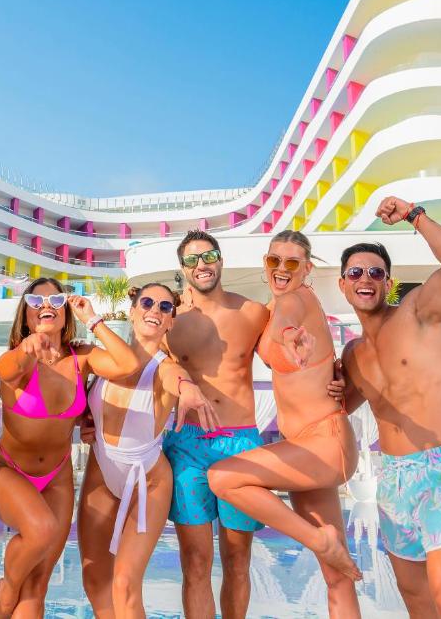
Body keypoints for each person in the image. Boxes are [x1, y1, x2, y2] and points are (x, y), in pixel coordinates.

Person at [335, 197, 441, 618]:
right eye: (356, 273)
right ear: (344, 285)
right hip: (394, 479)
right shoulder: (353, 354)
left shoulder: (418, 312)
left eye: (376, 273)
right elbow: (338, 410)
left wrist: (415, 216)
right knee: (415, 598)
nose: (366, 278)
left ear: (388, 282)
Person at [207, 231, 363, 619]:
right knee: (338, 578)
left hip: (323, 443)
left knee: (223, 477)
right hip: (311, 446)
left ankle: (318, 540)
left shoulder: (296, 300)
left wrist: (291, 336)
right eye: (274, 261)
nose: (281, 269)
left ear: (306, 268)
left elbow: (288, 324)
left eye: (291, 263)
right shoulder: (274, 306)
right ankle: (325, 547)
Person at [0, 277, 140, 618]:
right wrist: (28, 348)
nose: (45, 307)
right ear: (24, 315)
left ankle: (12, 598)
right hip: (7, 469)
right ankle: (6, 589)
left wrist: (93, 320)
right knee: (40, 531)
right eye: (36, 302)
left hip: (56, 476)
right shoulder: (18, 358)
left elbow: (128, 366)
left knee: (38, 584)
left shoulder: (80, 357)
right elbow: (6, 372)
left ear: (65, 311)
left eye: (55, 301)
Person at [78, 283, 220, 619]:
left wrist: (187, 389)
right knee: (95, 577)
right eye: (147, 302)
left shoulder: (164, 367)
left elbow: (177, 377)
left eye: (165, 307)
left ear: (171, 321)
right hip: (101, 469)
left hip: (148, 482)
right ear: (132, 310)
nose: (155, 311)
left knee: (125, 584)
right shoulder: (102, 362)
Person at [161, 230, 270, 619]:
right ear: (182, 268)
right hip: (188, 445)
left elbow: (289, 364)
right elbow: (151, 365)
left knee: (238, 559)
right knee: (195, 561)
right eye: (191, 260)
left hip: (242, 445)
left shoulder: (254, 312)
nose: (201, 265)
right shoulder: (170, 320)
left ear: (221, 259)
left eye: (208, 256)